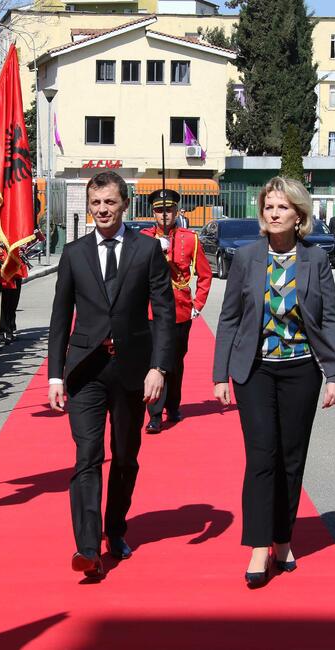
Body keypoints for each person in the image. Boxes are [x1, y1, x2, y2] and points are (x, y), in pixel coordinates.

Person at [212, 177, 335, 589]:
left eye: (282, 207)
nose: (273, 213)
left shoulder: (316, 260)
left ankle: (283, 540)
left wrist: (334, 373)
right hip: (254, 369)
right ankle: (256, 546)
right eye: (268, 207)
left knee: (290, 457)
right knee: (261, 456)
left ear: (298, 215)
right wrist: (220, 374)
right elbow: (229, 317)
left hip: (301, 369)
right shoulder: (247, 256)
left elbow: (330, 318)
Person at [47, 171, 174, 579]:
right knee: (87, 456)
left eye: (110, 203)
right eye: (96, 203)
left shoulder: (148, 249)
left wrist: (159, 367)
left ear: (124, 205)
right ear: (89, 206)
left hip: (131, 370)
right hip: (85, 370)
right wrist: (54, 375)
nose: (102, 210)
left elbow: (165, 312)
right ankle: (87, 548)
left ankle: (115, 529)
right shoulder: (74, 253)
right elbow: (59, 318)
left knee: (125, 457)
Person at [140, 188, 212, 434]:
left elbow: (205, 274)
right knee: (153, 360)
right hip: (151, 311)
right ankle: (155, 413)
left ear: (177, 211)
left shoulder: (190, 239)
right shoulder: (143, 238)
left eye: (169, 210)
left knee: (176, 362)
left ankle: (173, 404)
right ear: (153, 212)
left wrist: (198, 305)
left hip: (180, 309)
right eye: (159, 211)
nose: (164, 215)